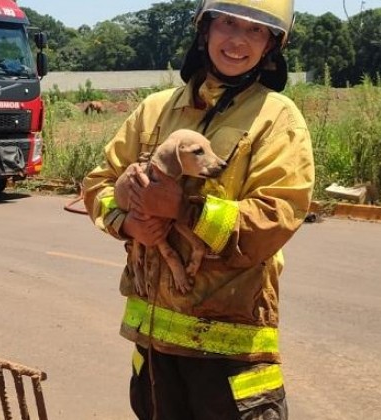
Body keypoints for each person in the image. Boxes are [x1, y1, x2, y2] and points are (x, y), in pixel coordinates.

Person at [82, 0, 315, 419]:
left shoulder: (278, 119)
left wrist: (186, 211)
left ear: (271, 46)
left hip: (232, 352)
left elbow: (276, 218)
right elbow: (98, 184)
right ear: (205, 30)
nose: (238, 39)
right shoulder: (154, 110)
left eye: (256, 31)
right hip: (153, 346)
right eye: (227, 23)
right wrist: (128, 222)